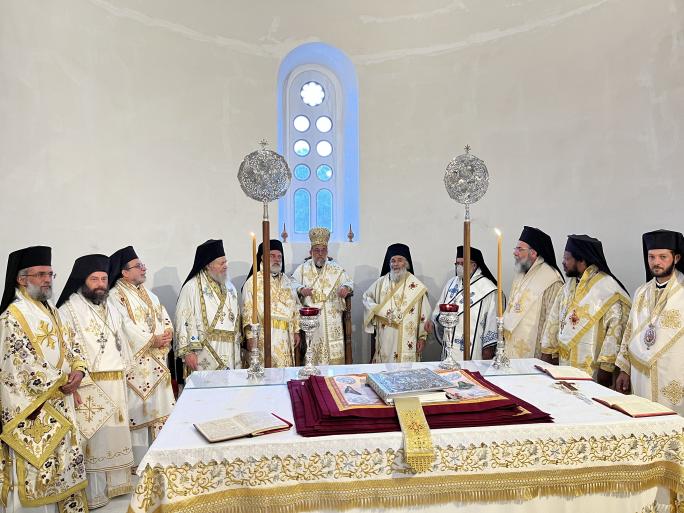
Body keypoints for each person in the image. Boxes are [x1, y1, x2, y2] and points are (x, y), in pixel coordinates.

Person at [0, 246, 89, 512]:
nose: (48, 280)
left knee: (65, 465)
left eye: (50, 274)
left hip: (62, 399)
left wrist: (79, 370)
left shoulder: (52, 310)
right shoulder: (11, 317)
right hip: (34, 407)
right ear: (21, 278)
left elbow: (72, 344)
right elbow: (18, 364)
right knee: (36, 468)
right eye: (41, 274)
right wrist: (61, 380)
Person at [57, 254, 134, 509]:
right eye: (94, 279)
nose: (100, 284)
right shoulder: (68, 310)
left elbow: (122, 340)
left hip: (116, 380)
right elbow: (66, 349)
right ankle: (95, 493)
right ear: (83, 280)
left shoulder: (111, 306)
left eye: (103, 278)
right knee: (95, 439)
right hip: (90, 384)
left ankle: (116, 486)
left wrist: (126, 368)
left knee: (115, 435)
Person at [108, 245, 176, 466]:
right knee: (138, 413)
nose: (144, 269)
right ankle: (139, 463)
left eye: (143, 265)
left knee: (161, 411)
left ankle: (161, 460)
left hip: (157, 362)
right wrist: (151, 340)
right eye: (138, 266)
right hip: (136, 366)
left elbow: (163, 316)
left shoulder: (149, 295)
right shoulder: (115, 296)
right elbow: (124, 327)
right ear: (124, 272)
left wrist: (167, 333)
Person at [540, 235, 631, 386]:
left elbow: (615, 331)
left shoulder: (608, 289)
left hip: (593, 370)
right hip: (564, 364)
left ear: (581, 261)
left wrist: (606, 367)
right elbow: (554, 320)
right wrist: (548, 351)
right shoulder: (567, 287)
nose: (563, 262)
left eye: (567, 258)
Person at [615, 229, 684, 414]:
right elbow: (629, 331)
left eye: (663, 257)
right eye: (651, 257)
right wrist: (624, 369)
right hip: (641, 375)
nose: (656, 262)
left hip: (675, 374)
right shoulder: (641, 292)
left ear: (676, 258)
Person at [175, 239, 242, 374]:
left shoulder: (230, 288)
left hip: (230, 350)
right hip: (203, 351)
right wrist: (188, 352)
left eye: (226, 262)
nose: (225, 266)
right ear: (208, 265)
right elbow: (182, 319)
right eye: (221, 263)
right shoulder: (192, 287)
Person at [291, 227, 353, 365]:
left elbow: (349, 282)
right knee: (314, 353)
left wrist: (345, 287)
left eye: (323, 250)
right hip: (313, 319)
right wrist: (301, 290)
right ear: (311, 252)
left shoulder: (336, 269)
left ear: (327, 252)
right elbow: (291, 284)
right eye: (317, 250)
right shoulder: (302, 269)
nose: (320, 254)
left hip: (333, 316)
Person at [363, 243, 431, 363]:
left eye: (400, 260)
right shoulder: (381, 283)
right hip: (386, 336)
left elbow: (424, 313)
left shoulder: (416, 286)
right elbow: (366, 298)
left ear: (406, 263)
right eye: (393, 261)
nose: (396, 264)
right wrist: (378, 310)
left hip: (408, 338)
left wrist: (422, 337)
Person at [503, 226, 564, 358]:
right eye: (515, 248)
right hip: (509, 347)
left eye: (520, 249)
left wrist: (547, 354)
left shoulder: (551, 279)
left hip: (535, 353)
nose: (515, 253)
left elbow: (552, 322)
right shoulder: (521, 273)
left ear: (533, 253)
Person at [430, 246, 499, 360]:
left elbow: (492, 321)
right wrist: (433, 321)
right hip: (450, 345)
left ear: (474, 265)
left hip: (474, 348)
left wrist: (488, 348)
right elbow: (439, 309)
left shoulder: (488, 289)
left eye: (462, 263)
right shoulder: (451, 283)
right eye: (457, 263)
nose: (459, 267)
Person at [242, 239, 301, 367]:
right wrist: (250, 337)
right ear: (263, 258)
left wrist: (296, 331)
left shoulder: (287, 281)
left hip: (286, 337)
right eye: (272, 256)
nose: (276, 259)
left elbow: (296, 306)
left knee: (284, 374)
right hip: (264, 337)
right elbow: (247, 311)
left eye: (279, 256)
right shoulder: (253, 282)